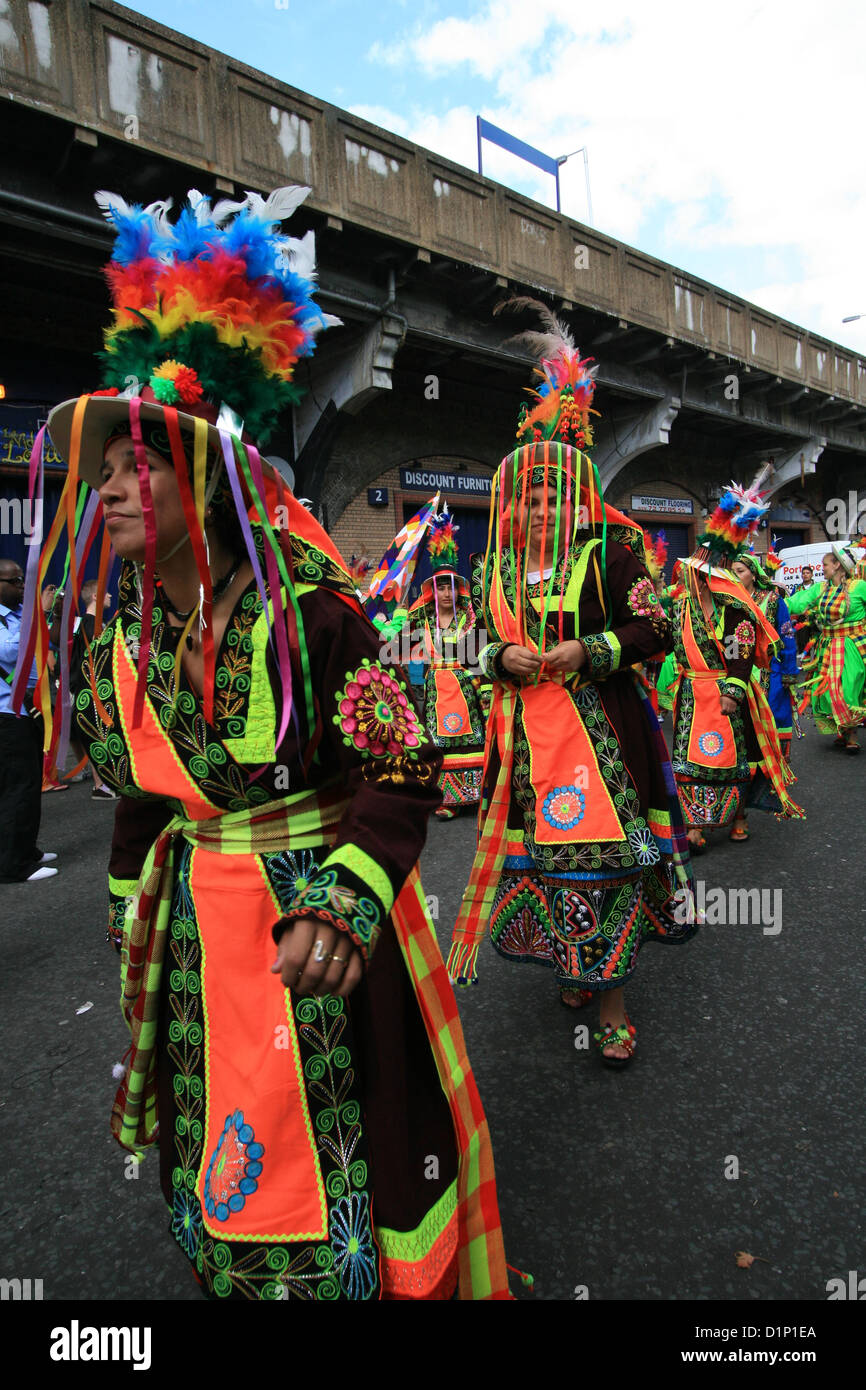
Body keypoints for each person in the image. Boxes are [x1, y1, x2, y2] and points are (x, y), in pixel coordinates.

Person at [20, 185, 509, 1299]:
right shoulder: (122, 637)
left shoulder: (316, 614)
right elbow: (151, 791)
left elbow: (400, 766)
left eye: (133, 465)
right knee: (221, 1128)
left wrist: (343, 898)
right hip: (197, 928)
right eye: (99, 475)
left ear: (206, 476)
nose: (109, 491)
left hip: (311, 917)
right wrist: (126, 905)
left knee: (337, 1138)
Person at [448, 303, 697, 1068]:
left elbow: (654, 628)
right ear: (512, 505)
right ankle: (577, 966)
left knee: (606, 865)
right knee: (549, 864)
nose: (542, 505)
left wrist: (590, 651)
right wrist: (498, 662)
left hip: (602, 746)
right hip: (525, 752)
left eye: (557, 493)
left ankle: (614, 1000)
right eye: (529, 495)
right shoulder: (495, 572)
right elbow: (471, 648)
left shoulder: (614, 556)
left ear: (578, 499)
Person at [670, 478, 805, 852]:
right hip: (691, 695)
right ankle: (696, 822)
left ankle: (739, 815)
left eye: (696, 571)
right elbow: (665, 642)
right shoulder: (682, 608)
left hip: (725, 695)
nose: (690, 575)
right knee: (689, 760)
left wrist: (733, 691)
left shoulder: (735, 611)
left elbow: (741, 654)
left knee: (734, 758)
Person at [410, 511, 486, 820]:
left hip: (465, 689)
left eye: (450, 587)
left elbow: (480, 652)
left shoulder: (470, 616)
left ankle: (475, 795)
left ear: (459, 588)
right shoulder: (421, 618)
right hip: (435, 692)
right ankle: (444, 799)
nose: (445, 593)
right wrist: (395, 626)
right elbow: (397, 646)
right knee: (438, 742)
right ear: (432, 590)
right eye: (440, 587)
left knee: (471, 738)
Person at [727, 550, 799, 840]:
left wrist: (789, 672)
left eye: (741, 571)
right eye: (732, 571)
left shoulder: (773, 601)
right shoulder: (728, 602)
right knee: (741, 738)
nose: (736, 576)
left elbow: (787, 636)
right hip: (740, 676)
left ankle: (769, 779)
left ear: (753, 574)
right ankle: (742, 795)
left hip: (770, 675)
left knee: (768, 730)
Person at [0, 559, 58, 881]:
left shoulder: (21, 613)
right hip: (7, 714)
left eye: (23, 581)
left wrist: (44, 614)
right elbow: (13, 652)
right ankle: (13, 865)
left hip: (30, 710)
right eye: (14, 581)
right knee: (17, 787)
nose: (22, 587)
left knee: (30, 782)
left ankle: (25, 849)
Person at [786, 545, 866, 754]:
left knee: (848, 688)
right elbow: (795, 602)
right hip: (828, 648)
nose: (822, 569)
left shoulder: (859, 587)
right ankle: (843, 730)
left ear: (837, 565)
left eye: (825, 565)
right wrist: (771, 603)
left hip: (851, 645)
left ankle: (852, 733)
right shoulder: (821, 589)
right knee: (829, 692)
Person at [69, 578, 118, 799]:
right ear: (96, 597)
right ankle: (100, 785)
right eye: (105, 593)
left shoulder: (88, 624)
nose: (109, 596)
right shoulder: (90, 625)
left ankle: (104, 782)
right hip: (91, 691)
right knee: (97, 734)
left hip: (90, 689)